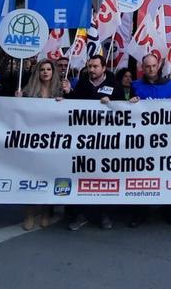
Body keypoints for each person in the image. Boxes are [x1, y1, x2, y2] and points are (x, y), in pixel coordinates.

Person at [127, 53, 171, 227]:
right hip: (142, 141)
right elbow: (125, 108)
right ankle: (139, 212)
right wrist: (130, 101)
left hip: (166, 140)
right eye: (147, 66)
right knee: (142, 175)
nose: (150, 69)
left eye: (153, 66)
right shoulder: (135, 85)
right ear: (142, 68)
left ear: (158, 66)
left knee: (166, 175)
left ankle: (169, 211)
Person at [65, 54, 119, 231]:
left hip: (107, 140)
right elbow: (74, 104)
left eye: (95, 66)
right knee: (83, 177)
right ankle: (80, 214)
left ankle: (105, 214)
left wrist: (112, 104)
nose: (92, 70)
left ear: (104, 68)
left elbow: (125, 106)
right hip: (85, 140)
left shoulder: (113, 84)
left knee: (104, 178)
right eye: (90, 66)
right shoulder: (82, 83)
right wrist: (65, 97)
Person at [17, 59, 62, 230]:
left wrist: (64, 101)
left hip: (53, 141)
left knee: (48, 177)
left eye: (48, 69)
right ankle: (29, 214)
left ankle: (45, 213)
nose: (45, 72)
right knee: (30, 178)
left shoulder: (59, 91)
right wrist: (18, 100)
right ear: (38, 72)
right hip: (33, 140)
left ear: (53, 72)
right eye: (42, 69)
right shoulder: (28, 92)